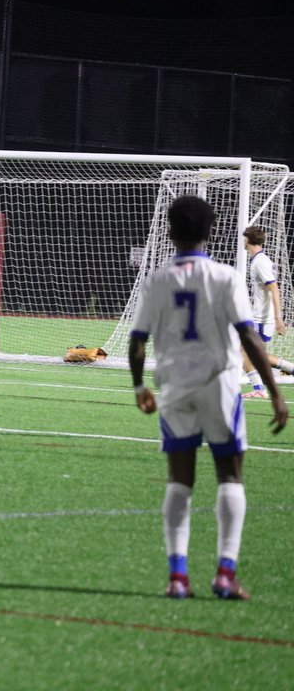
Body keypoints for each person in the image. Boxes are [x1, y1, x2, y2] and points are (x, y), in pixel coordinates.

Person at [129, 195, 287, 600]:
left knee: (179, 481)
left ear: (170, 232)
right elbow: (249, 336)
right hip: (220, 385)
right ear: (209, 232)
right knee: (230, 476)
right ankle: (224, 573)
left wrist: (139, 388)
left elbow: (137, 342)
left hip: (176, 387)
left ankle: (178, 577)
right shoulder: (225, 277)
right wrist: (273, 391)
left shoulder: (157, 280)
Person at [240, 226, 293, 398]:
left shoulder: (260, 262)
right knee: (255, 354)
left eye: (243, 239)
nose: (243, 242)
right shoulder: (259, 260)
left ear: (247, 240)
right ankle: (290, 369)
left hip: (263, 319)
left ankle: (259, 389)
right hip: (260, 317)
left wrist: (278, 317)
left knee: (244, 352)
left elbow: (274, 289)